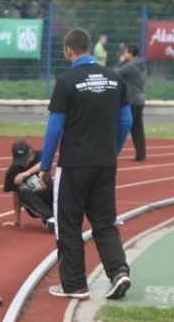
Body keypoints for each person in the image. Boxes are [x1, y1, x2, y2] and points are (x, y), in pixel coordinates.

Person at [39, 27, 133, 301]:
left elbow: (54, 128)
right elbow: (126, 121)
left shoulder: (67, 82)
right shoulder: (115, 79)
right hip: (105, 163)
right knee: (104, 222)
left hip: (74, 165)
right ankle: (118, 271)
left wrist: (45, 165)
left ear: (68, 50)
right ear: (90, 48)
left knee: (68, 224)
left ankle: (74, 285)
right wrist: (111, 150)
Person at [3, 140, 54, 229]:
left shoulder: (40, 155)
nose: (22, 163)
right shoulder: (13, 171)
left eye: (24, 159)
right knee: (23, 191)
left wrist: (26, 173)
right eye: (20, 160)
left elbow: (46, 163)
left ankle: (62, 215)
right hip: (34, 202)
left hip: (51, 194)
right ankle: (49, 218)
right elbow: (16, 196)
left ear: (30, 151)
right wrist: (17, 221)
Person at [116, 43, 147, 161]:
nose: (124, 54)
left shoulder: (130, 66)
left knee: (122, 125)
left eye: (125, 52)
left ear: (130, 53)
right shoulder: (141, 65)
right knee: (137, 127)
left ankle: (113, 151)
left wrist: (121, 61)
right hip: (140, 98)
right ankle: (141, 153)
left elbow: (116, 73)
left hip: (131, 99)